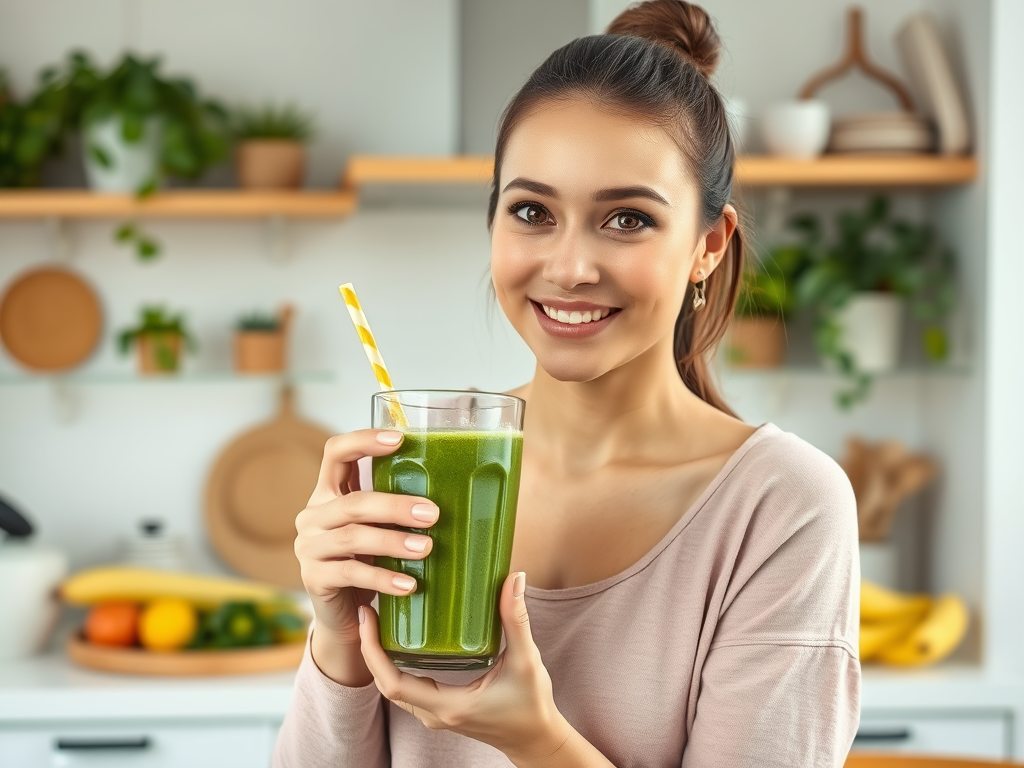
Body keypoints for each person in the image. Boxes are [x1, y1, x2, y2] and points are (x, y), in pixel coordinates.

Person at [273, 1, 861, 766]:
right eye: (531, 211)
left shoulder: (781, 508)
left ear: (708, 246)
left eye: (627, 220)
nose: (571, 267)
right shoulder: (425, 466)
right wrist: (337, 639)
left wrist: (536, 740)